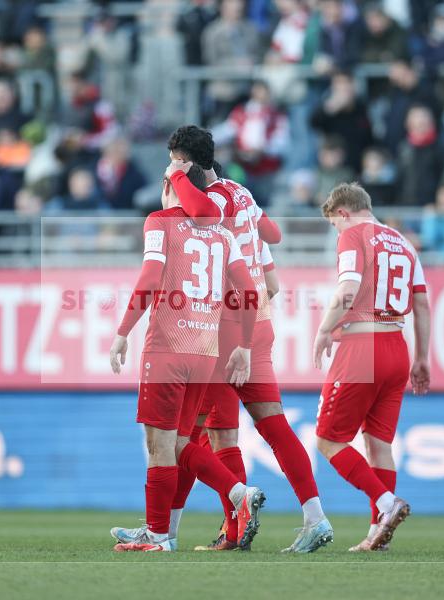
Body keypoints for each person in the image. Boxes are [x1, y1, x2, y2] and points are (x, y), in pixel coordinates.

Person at [151, 125, 331, 553]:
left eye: (176, 162)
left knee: (192, 436)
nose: (173, 170)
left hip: (220, 327)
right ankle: (312, 517)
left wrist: (176, 178)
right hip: (257, 321)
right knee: (265, 425)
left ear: (187, 162)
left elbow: (203, 215)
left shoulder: (206, 200)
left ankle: (170, 531)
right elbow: (273, 238)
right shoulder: (242, 194)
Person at [107, 164, 265, 552]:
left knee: (159, 445)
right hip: (205, 352)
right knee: (179, 443)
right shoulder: (224, 234)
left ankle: (168, 530)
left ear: (168, 186)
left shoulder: (160, 222)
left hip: (166, 349)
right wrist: (243, 344)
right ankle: (163, 530)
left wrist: (123, 331)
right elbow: (249, 291)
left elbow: (149, 279)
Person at [313, 182, 431, 551]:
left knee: (328, 440)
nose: (338, 230)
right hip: (397, 345)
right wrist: (422, 357)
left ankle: (385, 504)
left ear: (343, 213)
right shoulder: (404, 243)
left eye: (335, 224)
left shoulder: (354, 236)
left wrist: (324, 328)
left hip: (363, 343)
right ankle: (376, 536)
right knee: (379, 444)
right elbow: (423, 305)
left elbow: (348, 288)